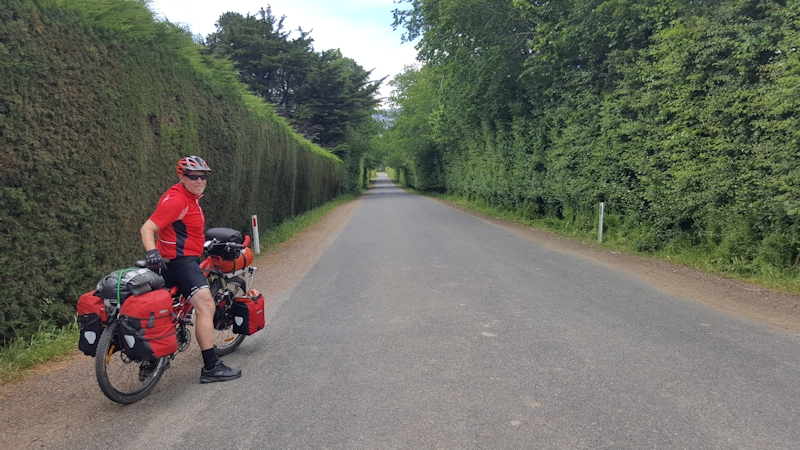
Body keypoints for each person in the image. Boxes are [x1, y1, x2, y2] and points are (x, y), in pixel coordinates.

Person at [140, 156, 241, 383]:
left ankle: (152, 360)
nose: (199, 180)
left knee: (163, 309)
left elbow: (181, 231)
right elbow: (147, 228)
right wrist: (151, 251)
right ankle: (211, 367)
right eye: (193, 176)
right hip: (180, 263)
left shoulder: (186, 196)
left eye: (203, 176)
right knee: (206, 306)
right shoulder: (178, 200)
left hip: (171, 261)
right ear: (182, 176)